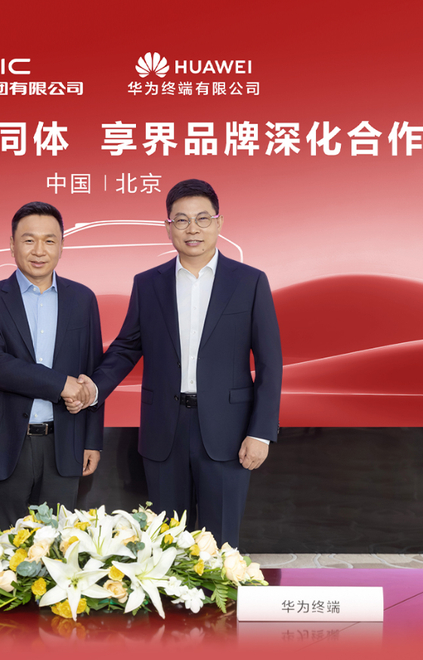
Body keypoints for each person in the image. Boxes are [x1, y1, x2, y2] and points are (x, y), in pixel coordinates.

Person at [67, 180, 282, 548]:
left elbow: (269, 362)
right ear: (168, 228)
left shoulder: (250, 282)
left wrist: (260, 432)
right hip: (164, 428)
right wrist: (94, 387)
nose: (192, 229)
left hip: (228, 431)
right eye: (181, 220)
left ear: (219, 223)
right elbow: (126, 348)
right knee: (165, 544)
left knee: (220, 545)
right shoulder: (148, 284)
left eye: (202, 219)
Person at [0, 201, 103, 539]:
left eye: (49, 240)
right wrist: (61, 384)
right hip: (7, 444)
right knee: (0, 549)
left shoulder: (83, 299)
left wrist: (92, 440)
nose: (39, 250)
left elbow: (92, 372)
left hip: (64, 444)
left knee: (60, 549)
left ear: (62, 245)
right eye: (29, 240)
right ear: (12, 244)